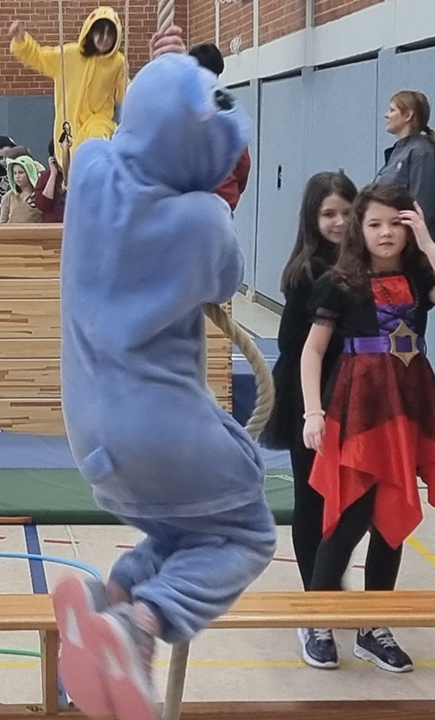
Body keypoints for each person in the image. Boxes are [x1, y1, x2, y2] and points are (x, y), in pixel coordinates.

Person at [52, 50, 274, 720]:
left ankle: (114, 598)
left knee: (188, 531)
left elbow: (130, 130)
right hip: (158, 428)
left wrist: (160, 81)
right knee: (245, 533)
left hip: (88, 432)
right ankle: (141, 626)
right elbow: (225, 278)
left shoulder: (90, 168)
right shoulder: (203, 221)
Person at [299, 183, 435, 674]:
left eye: (395, 223)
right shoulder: (340, 282)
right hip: (359, 409)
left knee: (392, 518)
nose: (385, 233)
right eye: (374, 224)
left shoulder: (419, 278)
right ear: (360, 228)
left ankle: (374, 624)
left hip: (408, 409)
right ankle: (317, 619)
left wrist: (430, 243)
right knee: (351, 516)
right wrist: (313, 413)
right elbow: (312, 351)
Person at [256, 172, 356, 669]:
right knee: (311, 500)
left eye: (346, 212)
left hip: (355, 396)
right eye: (328, 214)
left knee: (351, 501)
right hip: (307, 394)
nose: (338, 222)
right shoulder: (305, 272)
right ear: (312, 219)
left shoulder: (364, 267)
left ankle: (330, 581)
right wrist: (313, 403)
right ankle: (315, 607)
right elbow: (293, 344)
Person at [9, 8, 128, 163]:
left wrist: (142, 95)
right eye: (100, 32)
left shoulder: (118, 63)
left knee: (95, 143)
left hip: (99, 120)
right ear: (91, 32)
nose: (104, 39)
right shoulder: (69, 55)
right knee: (69, 159)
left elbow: (125, 92)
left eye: (110, 34)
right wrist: (21, 40)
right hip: (68, 124)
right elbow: (39, 57)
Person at [375, 90, 435, 245]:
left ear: (408, 115)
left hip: (409, 246)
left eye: (392, 110)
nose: (386, 115)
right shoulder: (399, 152)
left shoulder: (422, 153)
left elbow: (422, 208)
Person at [188, 43, 251, 212]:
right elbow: (243, 163)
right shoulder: (228, 109)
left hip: (194, 203)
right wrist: (231, 189)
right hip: (223, 202)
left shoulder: (187, 109)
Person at [0, 154, 43, 223]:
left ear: (30, 173)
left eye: (21, 173)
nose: (17, 176)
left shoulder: (40, 196)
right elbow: (2, 223)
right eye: (15, 173)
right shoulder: (8, 197)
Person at [35, 142, 66, 223]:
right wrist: (53, 174)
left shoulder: (79, 175)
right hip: (53, 225)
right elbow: (43, 204)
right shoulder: (46, 177)